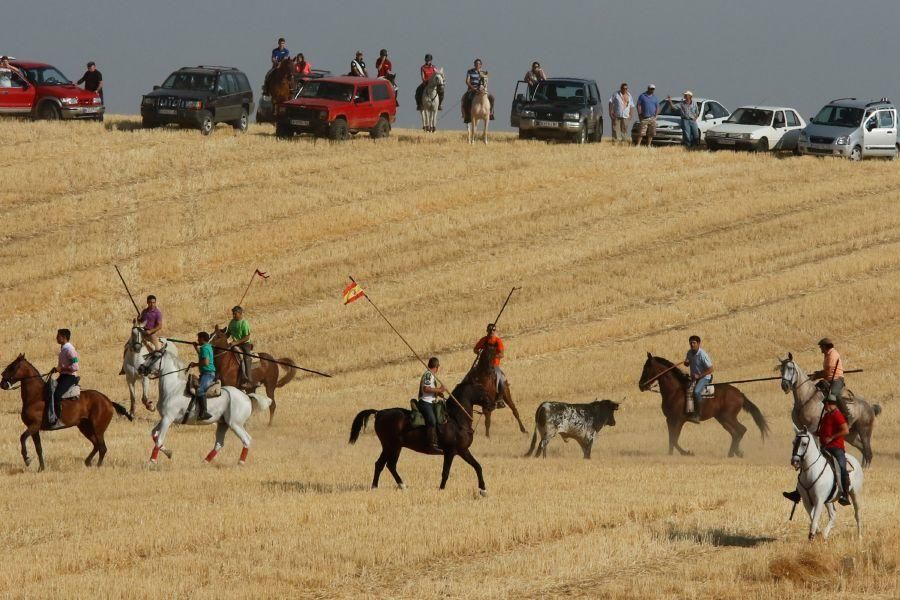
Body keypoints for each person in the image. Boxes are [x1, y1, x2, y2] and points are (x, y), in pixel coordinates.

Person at [783, 396, 852, 506]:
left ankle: (845, 494)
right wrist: (812, 434)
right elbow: (821, 431)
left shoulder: (838, 415)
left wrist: (832, 437)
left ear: (832, 404)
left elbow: (845, 430)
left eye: (826, 404)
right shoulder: (826, 416)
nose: (825, 406)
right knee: (807, 465)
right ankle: (797, 492)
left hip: (836, 448)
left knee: (842, 467)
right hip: (824, 447)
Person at [810, 338, 850, 421]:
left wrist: (816, 376)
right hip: (828, 379)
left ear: (824, 347)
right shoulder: (828, 354)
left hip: (837, 379)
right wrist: (818, 373)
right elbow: (827, 371)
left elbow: (827, 372)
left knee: (833, 394)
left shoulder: (832, 355)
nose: (820, 349)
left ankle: (847, 414)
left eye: (821, 347)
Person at [48, 329, 80, 428]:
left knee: (57, 395)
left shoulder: (70, 350)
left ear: (64, 337)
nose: (56, 338)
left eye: (58, 336)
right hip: (63, 376)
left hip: (70, 377)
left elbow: (75, 366)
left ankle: (59, 420)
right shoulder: (63, 349)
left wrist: (61, 368)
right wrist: (57, 369)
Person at [683, 335, 713, 423]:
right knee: (686, 390)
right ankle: (689, 411)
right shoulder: (689, 353)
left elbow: (711, 369)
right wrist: (686, 363)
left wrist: (699, 376)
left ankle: (698, 414)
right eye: (691, 343)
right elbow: (687, 363)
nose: (692, 344)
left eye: (694, 343)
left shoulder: (703, 355)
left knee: (696, 392)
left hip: (704, 377)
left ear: (699, 343)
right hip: (694, 378)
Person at [419, 357, 447, 451]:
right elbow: (426, 389)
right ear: (437, 366)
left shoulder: (432, 375)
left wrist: (438, 393)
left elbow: (430, 390)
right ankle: (431, 444)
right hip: (425, 403)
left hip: (431, 402)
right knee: (432, 421)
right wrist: (439, 389)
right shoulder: (428, 375)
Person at [473, 323, 507, 402]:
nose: (492, 331)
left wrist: (492, 356)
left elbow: (502, 355)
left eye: (493, 330)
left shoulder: (498, 341)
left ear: (495, 331)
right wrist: (479, 353)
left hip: (494, 365)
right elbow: (475, 349)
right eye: (490, 330)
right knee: (471, 374)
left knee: (501, 378)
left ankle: (500, 397)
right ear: (487, 331)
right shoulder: (484, 340)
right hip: (483, 365)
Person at [188, 331, 215, 421]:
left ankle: (204, 412)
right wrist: (196, 347)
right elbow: (202, 356)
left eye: (199, 338)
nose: (197, 340)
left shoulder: (204, 348)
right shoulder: (207, 347)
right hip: (207, 373)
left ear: (203, 339)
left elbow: (206, 362)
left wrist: (195, 364)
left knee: (200, 390)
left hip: (208, 374)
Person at [226, 305, 253, 388]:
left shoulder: (244, 323)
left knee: (246, 357)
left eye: (235, 314)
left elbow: (247, 337)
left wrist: (236, 342)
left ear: (240, 313)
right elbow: (228, 333)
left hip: (245, 344)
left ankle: (249, 380)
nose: (233, 315)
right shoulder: (232, 322)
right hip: (234, 343)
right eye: (233, 314)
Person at [462, 58, 494, 123]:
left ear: (481, 65)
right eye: (476, 64)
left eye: (479, 64)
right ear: (474, 64)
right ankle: (467, 115)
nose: (477, 65)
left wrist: (483, 88)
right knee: (466, 98)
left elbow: (485, 81)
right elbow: (467, 81)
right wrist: (473, 88)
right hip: (472, 89)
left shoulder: (483, 72)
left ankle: (490, 113)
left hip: (482, 90)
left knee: (492, 98)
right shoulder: (470, 71)